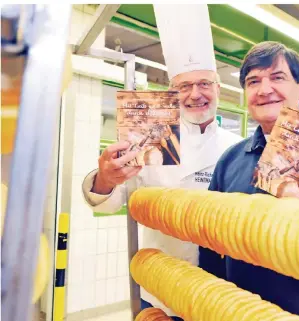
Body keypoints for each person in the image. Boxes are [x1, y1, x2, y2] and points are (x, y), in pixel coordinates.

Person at [81, 4, 242, 320]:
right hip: (158, 292)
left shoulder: (238, 149)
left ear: (218, 88)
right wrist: (106, 178)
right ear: (172, 91)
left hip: (217, 296)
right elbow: (110, 201)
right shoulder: (150, 140)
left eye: (204, 83)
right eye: (184, 85)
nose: (196, 94)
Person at [199, 41, 299, 321]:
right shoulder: (230, 160)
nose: (265, 89)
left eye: (277, 77)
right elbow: (210, 244)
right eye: (253, 81)